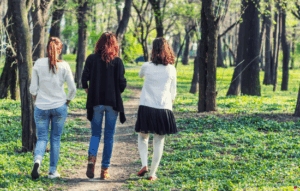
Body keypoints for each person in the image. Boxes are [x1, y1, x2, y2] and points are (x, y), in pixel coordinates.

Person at [30, 37, 77, 180]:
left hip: (41, 107)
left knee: (42, 138)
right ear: (60, 50)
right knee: (55, 139)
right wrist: (67, 101)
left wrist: (36, 98)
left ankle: (37, 161)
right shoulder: (65, 66)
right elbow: (73, 89)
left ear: (46, 49)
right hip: (59, 107)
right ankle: (52, 172)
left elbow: (33, 89)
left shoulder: (38, 63)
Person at [82, 32, 127, 180]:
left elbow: (84, 78)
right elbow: (122, 84)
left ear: (99, 44)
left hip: (96, 102)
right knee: (109, 137)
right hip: (112, 104)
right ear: (114, 45)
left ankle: (91, 160)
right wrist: (115, 91)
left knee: (95, 134)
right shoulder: (118, 62)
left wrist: (89, 90)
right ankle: (104, 170)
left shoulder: (91, 59)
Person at [135, 37, 178, 181]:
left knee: (143, 136)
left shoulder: (146, 66)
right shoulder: (171, 69)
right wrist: (168, 103)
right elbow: (173, 92)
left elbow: (140, 75)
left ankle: (144, 164)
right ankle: (153, 174)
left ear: (153, 50)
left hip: (146, 106)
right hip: (163, 108)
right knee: (159, 141)